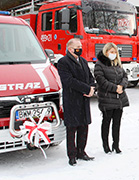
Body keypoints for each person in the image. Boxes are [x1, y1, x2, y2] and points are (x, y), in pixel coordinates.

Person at [57, 38, 95, 166]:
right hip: (72, 100)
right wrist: (86, 88)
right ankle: (72, 155)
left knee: (84, 127)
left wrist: (92, 88)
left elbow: (90, 77)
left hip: (84, 100)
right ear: (70, 49)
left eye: (80, 46)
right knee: (72, 128)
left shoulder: (83, 61)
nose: (80, 48)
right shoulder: (63, 62)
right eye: (77, 46)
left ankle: (81, 152)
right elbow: (69, 81)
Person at [94, 42, 129, 154]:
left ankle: (116, 145)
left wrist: (122, 86)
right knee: (106, 122)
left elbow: (125, 76)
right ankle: (106, 145)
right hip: (107, 98)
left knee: (117, 123)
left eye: (115, 52)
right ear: (106, 52)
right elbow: (101, 81)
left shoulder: (117, 64)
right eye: (111, 52)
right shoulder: (100, 64)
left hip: (119, 99)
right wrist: (115, 88)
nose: (114, 54)